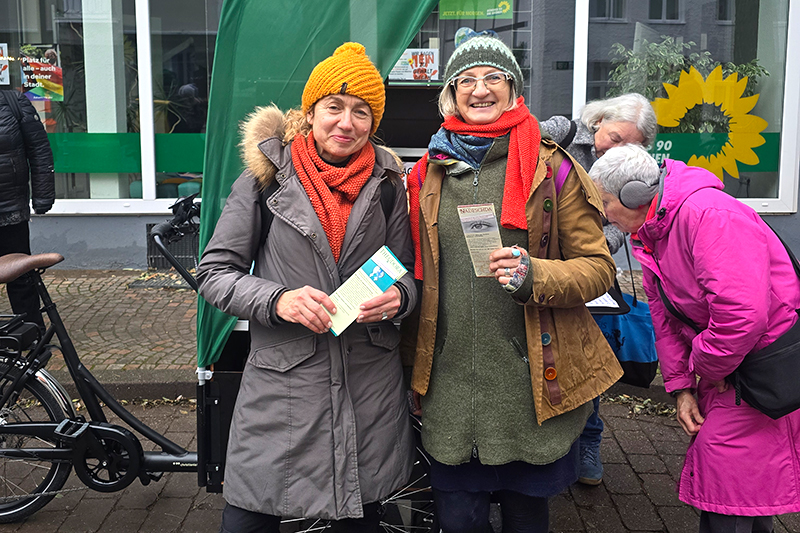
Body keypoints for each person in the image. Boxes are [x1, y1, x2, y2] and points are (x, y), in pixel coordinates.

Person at [405, 34, 624, 533]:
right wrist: (411, 367)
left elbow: (597, 267)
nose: (480, 90)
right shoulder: (427, 173)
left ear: (514, 88)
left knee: (527, 518)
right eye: (466, 80)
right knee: (458, 521)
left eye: (493, 77)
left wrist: (535, 275)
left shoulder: (553, 168)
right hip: (451, 391)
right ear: (451, 94)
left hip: (530, 388)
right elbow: (418, 274)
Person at [196, 43, 417, 532]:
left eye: (361, 112)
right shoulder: (266, 179)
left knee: (361, 516)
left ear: (373, 122)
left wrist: (400, 297)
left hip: (367, 382)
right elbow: (214, 273)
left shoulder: (388, 184)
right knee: (248, 520)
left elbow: (403, 268)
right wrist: (278, 300)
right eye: (334, 107)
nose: (346, 123)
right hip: (284, 384)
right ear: (311, 112)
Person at [589, 143, 800, 533]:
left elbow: (741, 316)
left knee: (731, 483)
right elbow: (663, 317)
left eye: (604, 202)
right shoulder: (652, 231)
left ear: (635, 195)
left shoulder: (710, 216)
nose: (603, 215)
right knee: (741, 487)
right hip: (730, 364)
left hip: (759, 368)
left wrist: (705, 367)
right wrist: (682, 386)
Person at [539, 92, 657, 485]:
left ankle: (588, 443)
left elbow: (623, 227)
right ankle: (548, 446)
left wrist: (587, 250)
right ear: (599, 121)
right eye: (616, 138)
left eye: (630, 145)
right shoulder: (562, 133)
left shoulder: (632, 170)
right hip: (542, 267)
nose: (617, 148)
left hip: (591, 278)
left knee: (588, 361)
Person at [0, 90, 54, 332]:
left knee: (21, 277)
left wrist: (42, 197)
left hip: (10, 209)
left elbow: (39, 151)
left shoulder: (13, 103)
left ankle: (33, 335)